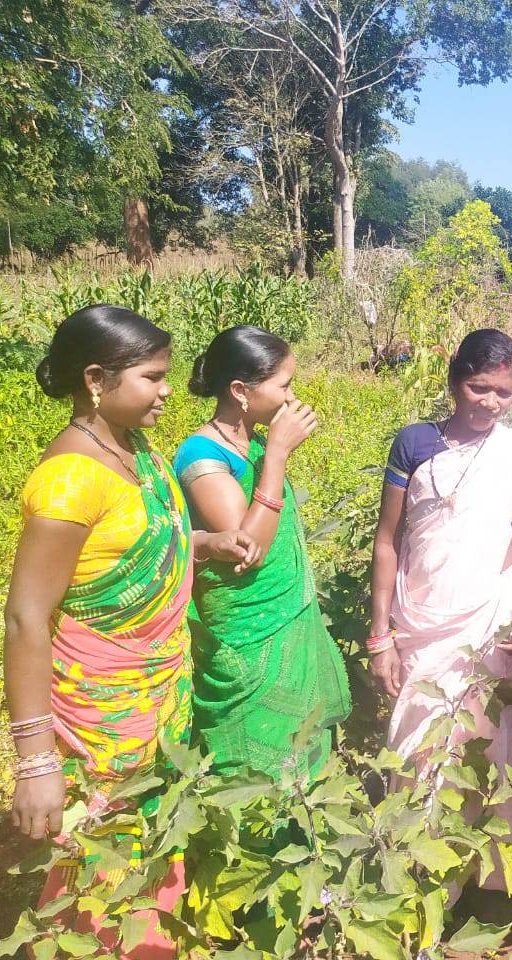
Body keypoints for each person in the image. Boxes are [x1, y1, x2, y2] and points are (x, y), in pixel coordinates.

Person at [4, 304, 258, 957]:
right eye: (152, 376)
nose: (168, 390)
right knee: (98, 873)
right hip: (99, 713)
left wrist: (204, 542)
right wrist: (35, 762)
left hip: (156, 699)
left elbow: (135, 545)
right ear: (95, 379)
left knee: (145, 855)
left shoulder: (135, 452)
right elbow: (27, 618)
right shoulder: (69, 481)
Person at [367, 328, 512, 893]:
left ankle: (494, 882)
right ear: (454, 382)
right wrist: (382, 635)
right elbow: (387, 540)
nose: (490, 403)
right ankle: (419, 882)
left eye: (504, 393)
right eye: (479, 388)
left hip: (488, 620)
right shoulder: (415, 443)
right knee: (420, 742)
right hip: (422, 619)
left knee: (490, 739)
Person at [173, 325, 350, 779]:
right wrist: (276, 455)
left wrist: (267, 448)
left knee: (300, 749)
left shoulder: (247, 442)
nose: (292, 396)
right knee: (254, 765)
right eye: (284, 385)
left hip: (287, 621)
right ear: (240, 390)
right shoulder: (201, 455)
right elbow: (248, 547)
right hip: (246, 637)